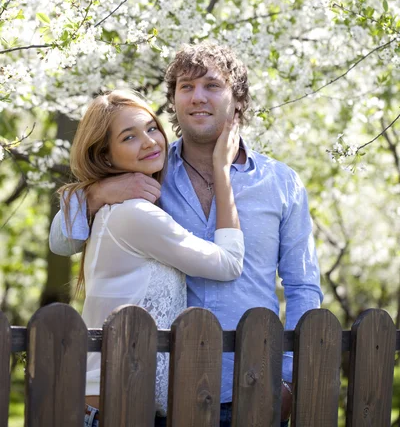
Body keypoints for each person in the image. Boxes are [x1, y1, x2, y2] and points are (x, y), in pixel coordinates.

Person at [50, 43, 323, 427]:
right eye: (186, 87)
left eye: (212, 86)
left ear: (237, 99)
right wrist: (96, 194)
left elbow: (302, 286)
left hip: (252, 389)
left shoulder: (282, 184)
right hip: (161, 397)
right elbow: (63, 241)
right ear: (173, 101)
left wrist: (290, 381)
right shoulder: (148, 170)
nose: (197, 97)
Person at [57, 89, 245, 427]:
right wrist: (221, 169)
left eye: (151, 128)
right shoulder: (133, 215)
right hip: (116, 408)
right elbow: (228, 264)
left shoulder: (126, 209)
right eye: (129, 137)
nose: (148, 142)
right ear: (106, 155)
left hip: (128, 405)